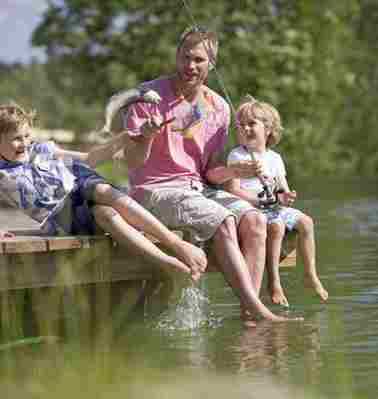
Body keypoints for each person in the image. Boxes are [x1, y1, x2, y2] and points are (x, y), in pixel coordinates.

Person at [123, 26, 297, 322]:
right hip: (155, 189)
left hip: (198, 190)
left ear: (211, 64)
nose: (189, 66)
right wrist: (147, 136)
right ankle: (259, 310)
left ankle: (248, 315)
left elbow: (211, 172)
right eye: (185, 57)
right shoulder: (146, 97)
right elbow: (132, 162)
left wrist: (234, 170)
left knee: (255, 221)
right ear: (177, 56)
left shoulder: (218, 107)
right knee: (224, 220)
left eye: (199, 60)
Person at [0, 102, 207, 282]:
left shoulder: (41, 150)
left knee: (102, 189)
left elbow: (90, 159)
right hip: (62, 213)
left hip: (78, 181)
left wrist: (123, 138)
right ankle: (166, 262)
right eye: (16, 138)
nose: (25, 142)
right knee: (106, 214)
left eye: (27, 135)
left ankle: (176, 244)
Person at [225, 95, 328, 307]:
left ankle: (310, 275)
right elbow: (234, 191)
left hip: (275, 207)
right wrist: (259, 201)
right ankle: (273, 282)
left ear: (268, 129)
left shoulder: (275, 159)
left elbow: (283, 189)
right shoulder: (237, 156)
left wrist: (287, 197)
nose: (245, 129)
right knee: (277, 227)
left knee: (307, 222)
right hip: (254, 211)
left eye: (251, 124)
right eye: (240, 125)